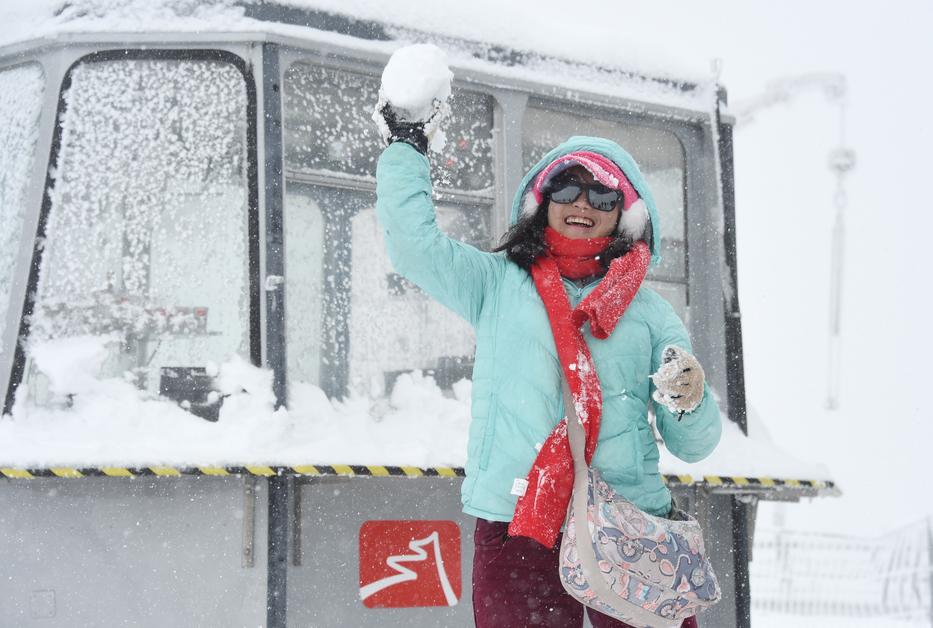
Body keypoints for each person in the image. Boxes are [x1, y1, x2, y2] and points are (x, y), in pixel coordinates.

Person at [374, 104, 722, 628]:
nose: (582, 204)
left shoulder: (651, 314)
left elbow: (693, 445)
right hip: (519, 519)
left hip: (632, 525)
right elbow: (414, 248)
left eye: (602, 194)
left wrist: (688, 400)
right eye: (565, 189)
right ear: (543, 200)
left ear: (626, 211)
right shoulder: (495, 284)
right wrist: (406, 146)